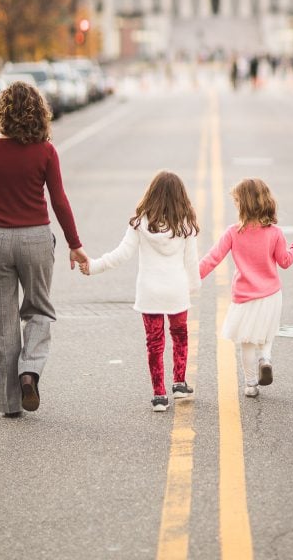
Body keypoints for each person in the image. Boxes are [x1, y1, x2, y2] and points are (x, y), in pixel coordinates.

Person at [0, 81, 89, 418]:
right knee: (38, 309)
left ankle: (9, 405)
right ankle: (29, 371)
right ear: (39, 112)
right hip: (36, 238)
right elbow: (59, 201)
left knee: (2, 322)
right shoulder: (45, 151)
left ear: (2, 113)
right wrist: (74, 244)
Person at [88, 171, 200, 412]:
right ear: (181, 197)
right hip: (176, 292)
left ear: (152, 195)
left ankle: (159, 395)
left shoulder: (140, 223)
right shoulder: (186, 225)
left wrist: (94, 266)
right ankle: (179, 383)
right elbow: (191, 263)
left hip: (149, 293)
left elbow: (121, 254)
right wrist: (193, 287)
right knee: (180, 336)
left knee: (154, 344)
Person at [199, 178, 293, 398]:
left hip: (245, 297)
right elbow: (285, 261)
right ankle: (266, 359)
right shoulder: (275, 233)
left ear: (242, 205)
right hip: (271, 295)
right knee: (266, 334)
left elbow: (212, 259)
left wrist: (192, 278)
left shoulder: (233, 232)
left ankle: (251, 385)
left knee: (247, 342)